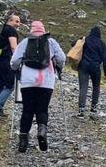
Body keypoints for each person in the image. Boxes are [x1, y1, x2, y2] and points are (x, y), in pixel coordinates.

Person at [10, 21, 65, 153]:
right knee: (42, 109)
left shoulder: (25, 42)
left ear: (32, 30)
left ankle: (23, 142)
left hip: (28, 82)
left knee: (27, 110)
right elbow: (62, 58)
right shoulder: (51, 42)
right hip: (46, 82)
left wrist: (16, 69)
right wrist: (58, 67)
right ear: (44, 30)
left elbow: (15, 61)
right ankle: (41, 132)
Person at [0, 14, 20, 118]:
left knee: (0, 84)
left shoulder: (3, 29)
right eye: (17, 21)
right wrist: (18, 60)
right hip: (7, 60)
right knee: (10, 85)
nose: (19, 24)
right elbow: (13, 47)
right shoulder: (11, 31)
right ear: (10, 21)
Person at [77, 25, 106, 117]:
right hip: (95, 67)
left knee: (83, 87)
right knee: (96, 87)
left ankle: (81, 109)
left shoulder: (85, 40)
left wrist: (81, 39)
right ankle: (93, 108)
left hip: (83, 66)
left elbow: (73, 44)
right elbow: (105, 59)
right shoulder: (101, 43)